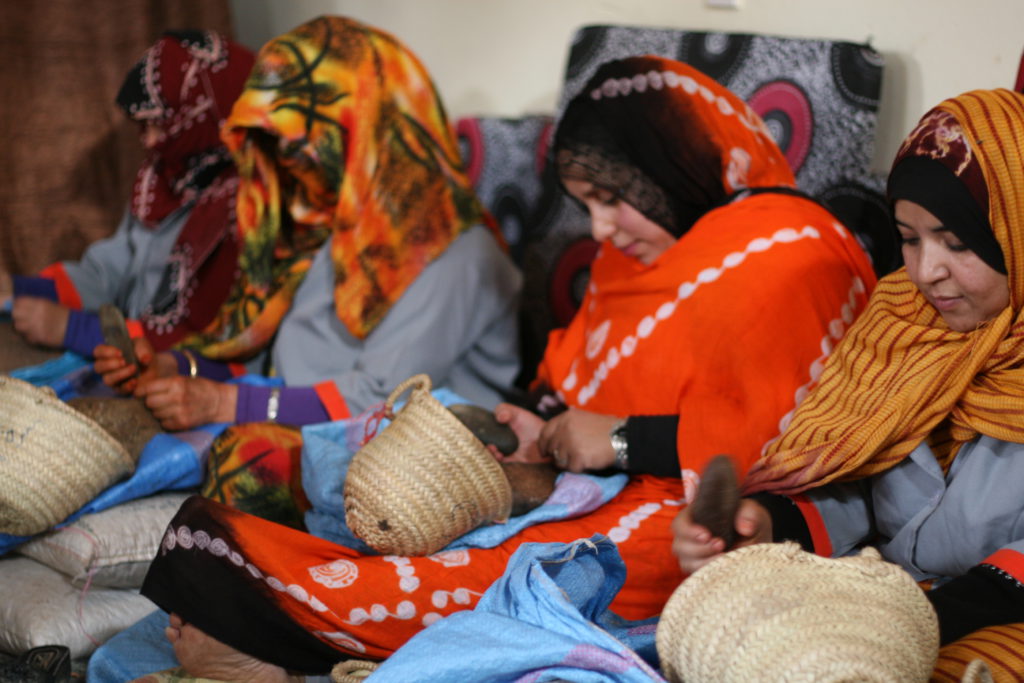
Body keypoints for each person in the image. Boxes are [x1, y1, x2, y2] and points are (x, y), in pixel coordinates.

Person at [90, 50, 876, 680]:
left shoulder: (789, 256)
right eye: (585, 203)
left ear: (674, 168)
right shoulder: (629, 263)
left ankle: (288, 616)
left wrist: (623, 441)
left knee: (547, 561)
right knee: (405, 458)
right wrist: (543, 423)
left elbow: (788, 442)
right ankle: (284, 599)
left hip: (682, 508)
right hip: (585, 478)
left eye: (613, 196)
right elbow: (578, 385)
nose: (600, 228)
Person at [90, 16, 522, 525]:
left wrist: (224, 402)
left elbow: (378, 401)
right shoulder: (331, 222)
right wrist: (181, 369)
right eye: (279, 151)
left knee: (241, 470)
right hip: (313, 429)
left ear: (366, 128)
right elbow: (283, 364)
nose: (291, 174)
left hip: (409, 468)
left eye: (301, 148)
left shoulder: (454, 255)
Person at [672, 88, 1024, 678]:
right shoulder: (899, 322)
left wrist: (899, 619)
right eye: (909, 239)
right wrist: (769, 526)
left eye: (957, 243)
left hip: (994, 620)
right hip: (870, 607)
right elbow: (851, 472)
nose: (925, 271)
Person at [4, 31, 254, 357]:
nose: (149, 141)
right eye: (143, 126)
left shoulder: (245, 209)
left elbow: (212, 340)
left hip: (179, 375)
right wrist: (20, 289)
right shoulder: (164, 179)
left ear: (206, 115)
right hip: (130, 356)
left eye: (161, 125)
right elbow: (111, 272)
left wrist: (75, 330)